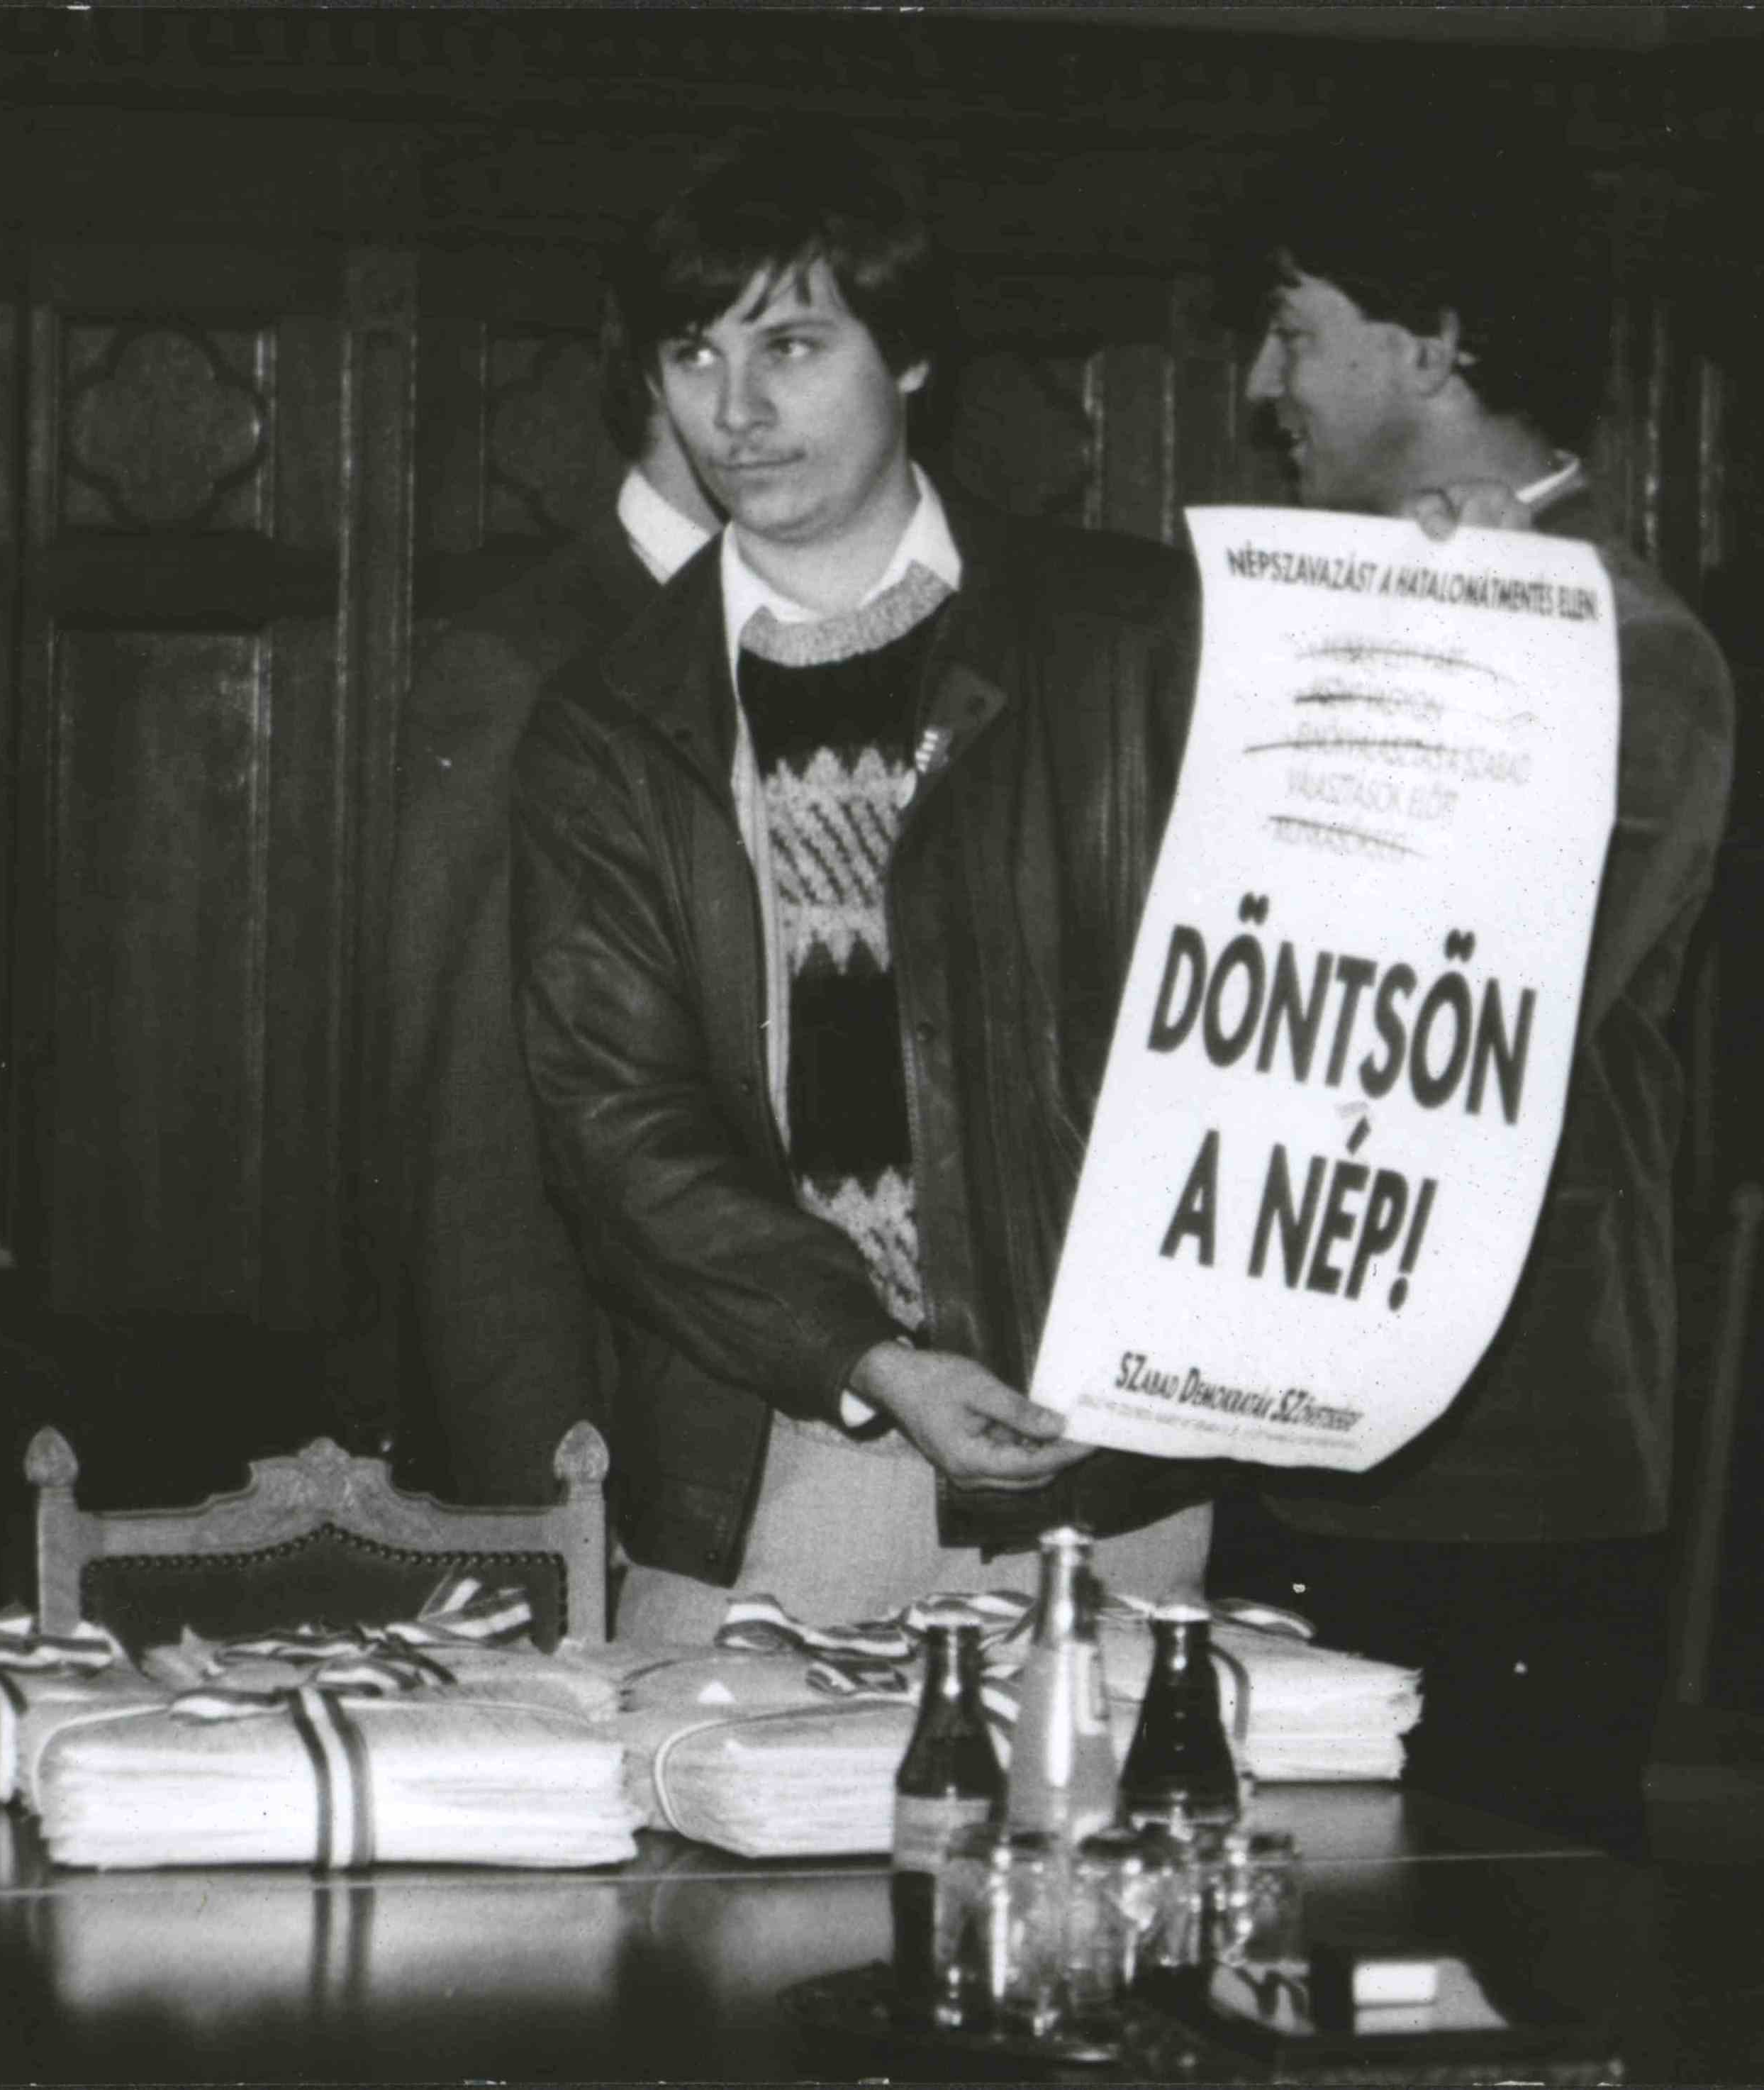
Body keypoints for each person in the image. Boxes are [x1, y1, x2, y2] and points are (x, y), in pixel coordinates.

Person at [512, 133, 1215, 1640]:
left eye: (789, 345)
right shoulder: (609, 715)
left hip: (1104, 1459)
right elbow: (616, 1125)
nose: (735, 411)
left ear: (908, 356)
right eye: (693, 354)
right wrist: (873, 1362)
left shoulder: (1132, 637)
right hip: (776, 1465)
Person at [1204, 158, 1736, 1858]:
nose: (1262, 384)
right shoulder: (1343, 601)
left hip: (1506, 1455)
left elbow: (1475, 983)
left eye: (1292, 332)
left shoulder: (1624, 643)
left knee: (1493, 1933)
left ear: (1432, 346)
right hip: (1295, 1411)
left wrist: (1458, 653)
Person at [391, 291, 717, 1508]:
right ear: (659, 383)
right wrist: (543, 1508)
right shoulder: (520, 662)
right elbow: (473, 1140)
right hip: (617, 1456)